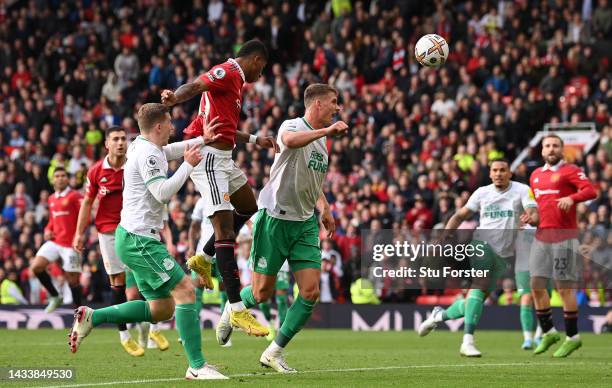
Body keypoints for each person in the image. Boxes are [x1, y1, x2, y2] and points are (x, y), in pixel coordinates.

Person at [68, 103, 228, 380]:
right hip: (139, 240)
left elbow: (169, 150)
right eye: (169, 123)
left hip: (134, 237)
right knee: (186, 291)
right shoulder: (146, 153)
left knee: (161, 309)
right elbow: (162, 192)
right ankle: (197, 366)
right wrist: (189, 165)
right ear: (158, 127)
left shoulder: (143, 146)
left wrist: (203, 140)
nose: (173, 128)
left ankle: (93, 316)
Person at [220, 83, 347, 372]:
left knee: (310, 292)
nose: (337, 108)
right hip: (275, 218)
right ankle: (233, 307)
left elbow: (310, 180)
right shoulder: (292, 124)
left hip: (304, 224)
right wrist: (327, 131)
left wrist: (324, 206)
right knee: (262, 292)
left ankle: (274, 352)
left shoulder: (321, 143)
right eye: (334, 102)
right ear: (317, 104)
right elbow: (289, 141)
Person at [161, 39, 277, 339]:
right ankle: (237, 309)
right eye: (261, 68)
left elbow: (226, 127)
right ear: (254, 60)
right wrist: (174, 98)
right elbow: (197, 85)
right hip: (209, 158)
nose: (260, 76)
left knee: (248, 206)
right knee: (226, 231)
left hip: (224, 158)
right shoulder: (227, 71)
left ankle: (205, 257)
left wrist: (255, 140)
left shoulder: (237, 83)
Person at [418, 159, 539, 357]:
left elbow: (534, 213)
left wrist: (531, 217)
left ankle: (438, 316)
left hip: (504, 255)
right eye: (495, 170)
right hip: (481, 245)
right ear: (490, 174)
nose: (499, 173)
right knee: (480, 285)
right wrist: (444, 237)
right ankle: (467, 341)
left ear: (510, 173)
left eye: (503, 170)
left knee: (475, 299)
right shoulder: (482, 193)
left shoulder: (522, 190)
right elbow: (459, 215)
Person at [73, 126, 168, 356]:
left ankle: (151, 330)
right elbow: (87, 202)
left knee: (146, 282)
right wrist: (79, 232)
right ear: (106, 144)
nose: (120, 143)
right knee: (118, 283)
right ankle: (124, 334)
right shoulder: (96, 172)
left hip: (136, 228)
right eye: (115, 139)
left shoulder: (135, 163)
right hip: (108, 231)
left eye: (123, 139)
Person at [529, 134, 597, 357]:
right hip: (541, 236)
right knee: (536, 285)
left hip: (564, 237)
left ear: (561, 149)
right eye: (547, 146)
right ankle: (548, 332)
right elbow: (541, 208)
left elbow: (590, 191)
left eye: (555, 146)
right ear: (542, 150)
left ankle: (572, 337)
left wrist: (573, 198)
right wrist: (531, 218)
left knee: (564, 288)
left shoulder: (570, 170)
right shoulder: (536, 175)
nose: (551, 149)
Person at [29, 167, 83, 313]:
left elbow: (85, 217)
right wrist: (47, 230)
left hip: (71, 245)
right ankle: (55, 296)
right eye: (57, 176)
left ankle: (80, 314)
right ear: (53, 180)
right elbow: (52, 220)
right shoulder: (52, 198)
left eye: (63, 175)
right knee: (36, 267)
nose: (60, 178)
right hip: (55, 241)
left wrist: (79, 235)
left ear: (67, 178)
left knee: (73, 281)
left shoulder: (75, 196)